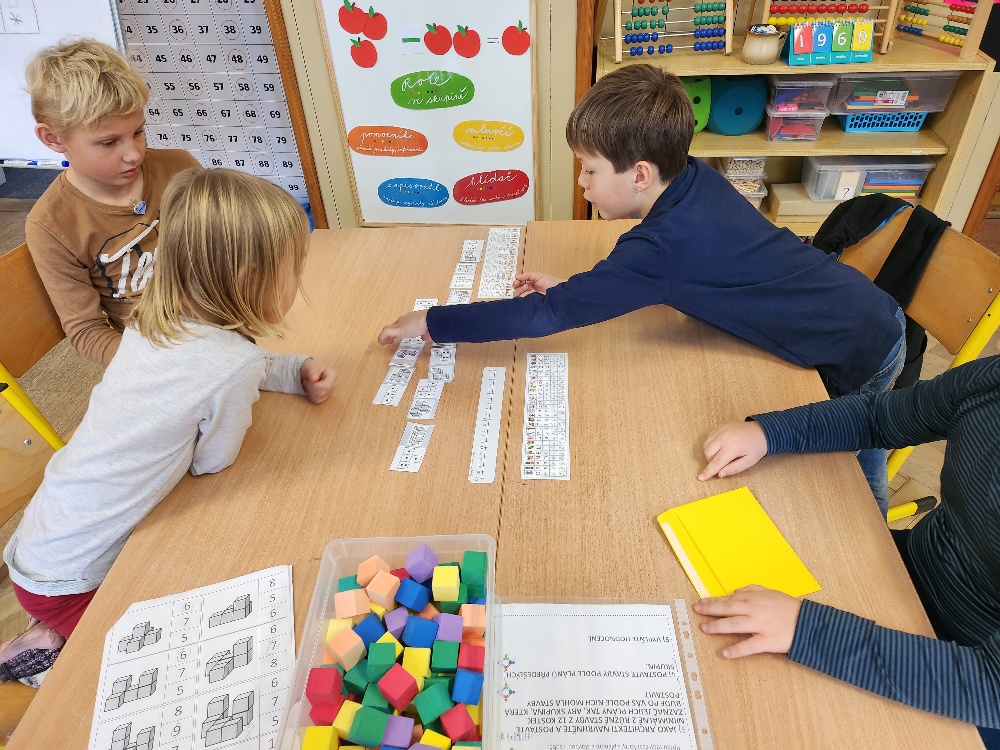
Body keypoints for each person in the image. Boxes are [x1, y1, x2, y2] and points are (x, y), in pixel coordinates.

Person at [377, 64, 906, 514]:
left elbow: (547, 316)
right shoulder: (692, 178)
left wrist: (434, 321)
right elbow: (666, 274)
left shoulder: (661, 247)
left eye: (589, 170)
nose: (581, 183)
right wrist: (584, 287)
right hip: (857, 310)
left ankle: (887, 551)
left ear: (640, 174)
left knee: (855, 490)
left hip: (857, 349)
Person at [0, 168, 335, 683]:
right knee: (156, 659)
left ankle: (48, 628)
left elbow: (213, 367)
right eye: (296, 269)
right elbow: (212, 461)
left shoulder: (150, 318)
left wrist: (291, 371)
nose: (299, 283)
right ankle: (45, 654)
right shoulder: (232, 364)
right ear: (250, 279)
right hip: (76, 580)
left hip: (39, 548)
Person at [694, 339, 1000, 745]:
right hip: (903, 572)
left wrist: (807, 630)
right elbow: (881, 417)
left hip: (960, 681)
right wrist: (769, 433)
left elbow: (988, 687)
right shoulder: (992, 382)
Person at [24, 39, 201, 366]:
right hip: (152, 355)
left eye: (138, 132)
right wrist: (151, 366)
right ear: (53, 138)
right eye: (108, 142)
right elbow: (87, 330)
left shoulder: (181, 167)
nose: (134, 154)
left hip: (226, 321)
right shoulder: (50, 224)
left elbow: (231, 245)